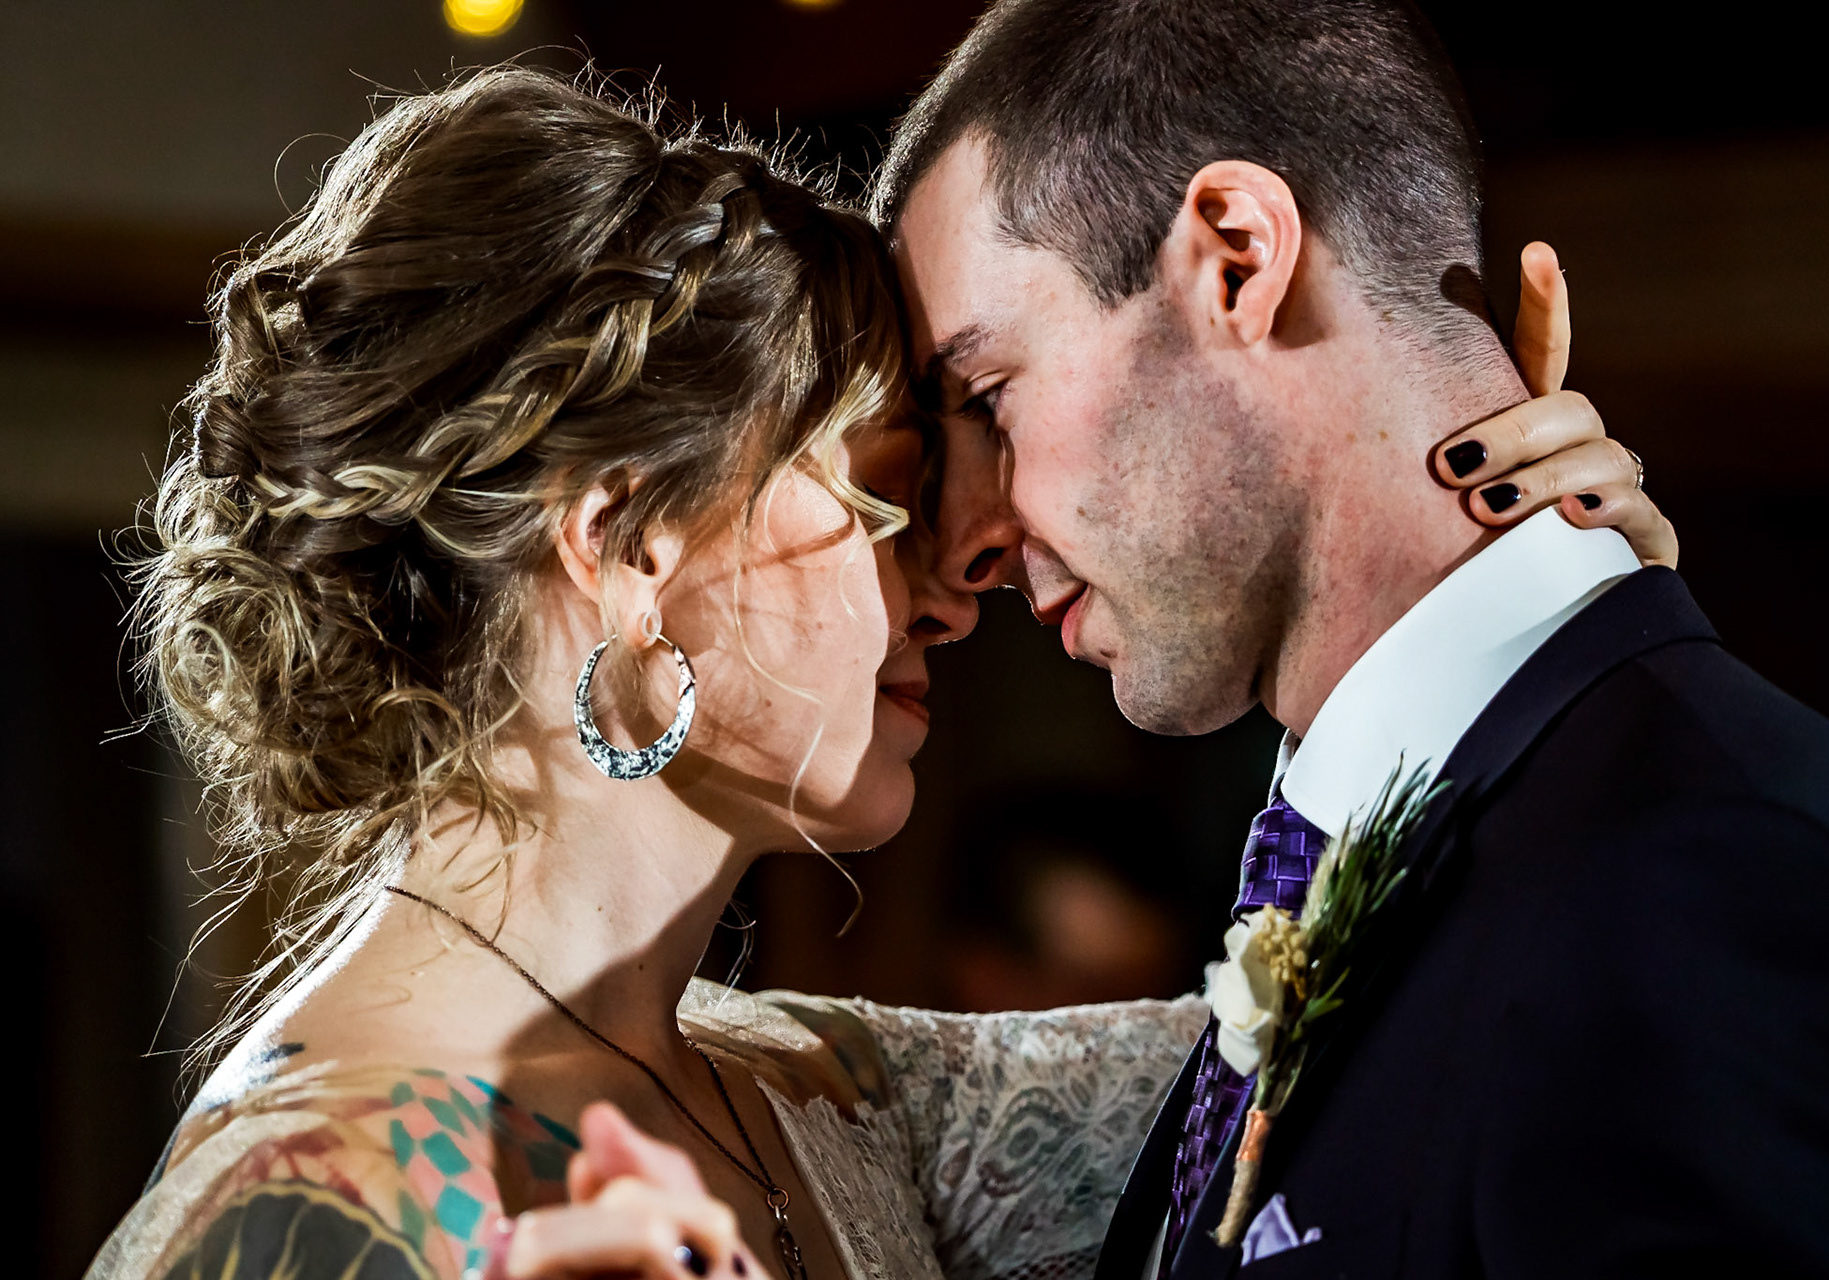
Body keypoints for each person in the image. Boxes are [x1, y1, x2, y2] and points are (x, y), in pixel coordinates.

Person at [89, 67, 1670, 1280]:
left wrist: (1541, 614)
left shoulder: (824, 1098)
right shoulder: (294, 1206)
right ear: (631, 537)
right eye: (894, 486)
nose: (969, 566)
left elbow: (1423, 1052)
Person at [865, 1, 1829, 1277]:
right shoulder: (1390, 846)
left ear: (1240, 259)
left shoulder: (1716, 871)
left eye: (988, 397)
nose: (963, 538)